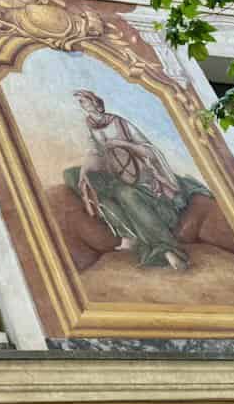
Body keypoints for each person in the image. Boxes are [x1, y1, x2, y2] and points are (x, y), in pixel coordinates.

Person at [69, 89, 210, 270]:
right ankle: (129, 236)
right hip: (118, 177)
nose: (82, 105)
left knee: (125, 193)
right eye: (80, 102)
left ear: (96, 102)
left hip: (144, 180)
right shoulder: (90, 126)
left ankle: (167, 249)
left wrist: (122, 144)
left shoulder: (120, 123)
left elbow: (149, 151)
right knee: (83, 183)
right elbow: (94, 153)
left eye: (85, 101)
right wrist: (83, 173)